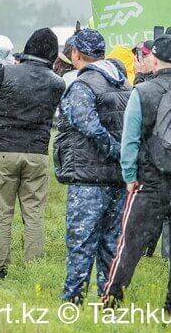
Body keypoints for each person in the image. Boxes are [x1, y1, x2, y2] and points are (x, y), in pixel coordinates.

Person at [101, 35, 171, 311]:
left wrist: (129, 176)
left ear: (155, 58)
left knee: (131, 244)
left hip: (150, 182)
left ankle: (112, 300)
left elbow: (130, 140)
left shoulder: (143, 93)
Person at [54, 28, 130, 304]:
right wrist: (124, 155)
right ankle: (110, 301)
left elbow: (88, 126)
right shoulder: (123, 84)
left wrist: (113, 150)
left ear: (76, 54)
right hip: (118, 179)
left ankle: (72, 303)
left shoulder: (83, 86)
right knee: (112, 245)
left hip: (89, 178)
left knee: (81, 245)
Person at [0, 28, 63, 280]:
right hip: (37, 154)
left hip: (4, 151)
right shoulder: (56, 82)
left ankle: (0, 269)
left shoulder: (7, 73)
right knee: (34, 214)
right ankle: (33, 270)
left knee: (2, 214)